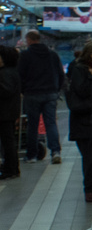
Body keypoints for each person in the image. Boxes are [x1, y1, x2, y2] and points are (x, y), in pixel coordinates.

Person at [66, 40, 92, 201]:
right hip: (82, 122)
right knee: (89, 158)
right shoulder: (79, 69)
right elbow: (82, 91)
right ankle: (89, 188)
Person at [18, 29, 63, 163]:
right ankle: (55, 152)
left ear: (29, 40)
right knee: (51, 123)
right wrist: (56, 90)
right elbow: (60, 74)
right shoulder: (52, 55)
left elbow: (20, 75)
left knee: (32, 125)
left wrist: (23, 90)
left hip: (32, 94)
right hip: (50, 93)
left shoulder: (25, 56)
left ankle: (32, 155)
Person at [0, 45, 19, 180]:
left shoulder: (4, 73)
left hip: (4, 112)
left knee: (8, 141)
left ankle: (10, 168)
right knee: (9, 140)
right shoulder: (12, 71)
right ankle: (11, 167)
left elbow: (5, 91)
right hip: (9, 111)